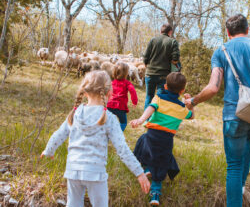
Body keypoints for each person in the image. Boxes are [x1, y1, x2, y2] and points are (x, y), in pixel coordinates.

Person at [184, 14, 250, 207]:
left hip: (234, 115)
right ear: (247, 29)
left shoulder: (221, 51)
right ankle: (241, 187)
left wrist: (193, 101)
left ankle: (236, 196)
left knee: (233, 166)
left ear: (227, 32)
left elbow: (213, 88)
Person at [40, 70, 150, 207]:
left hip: (73, 170)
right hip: (95, 173)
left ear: (85, 92)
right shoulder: (109, 118)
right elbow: (122, 149)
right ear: (110, 92)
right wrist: (139, 173)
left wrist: (49, 150)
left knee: (73, 204)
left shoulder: (76, 113)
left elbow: (59, 134)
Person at [130, 72, 194, 206]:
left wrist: (140, 120)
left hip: (152, 134)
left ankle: (147, 169)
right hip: (167, 139)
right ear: (182, 90)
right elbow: (191, 116)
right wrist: (190, 104)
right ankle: (155, 195)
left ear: (165, 86)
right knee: (162, 161)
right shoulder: (181, 108)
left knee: (143, 142)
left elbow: (150, 108)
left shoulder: (158, 98)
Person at [143, 24, 180, 109]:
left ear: (161, 31)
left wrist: (148, 67)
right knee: (160, 99)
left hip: (150, 74)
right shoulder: (173, 42)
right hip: (163, 75)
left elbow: (145, 58)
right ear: (170, 32)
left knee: (149, 97)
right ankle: (156, 120)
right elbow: (175, 59)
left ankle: (146, 120)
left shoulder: (153, 40)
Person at [107, 62, 138, 131]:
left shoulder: (112, 83)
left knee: (107, 120)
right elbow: (132, 91)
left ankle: (107, 132)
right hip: (120, 107)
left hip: (109, 105)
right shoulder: (127, 83)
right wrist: (134, 102)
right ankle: (118, 134)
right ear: (126, 73)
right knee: (123, 122)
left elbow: (107, 92)